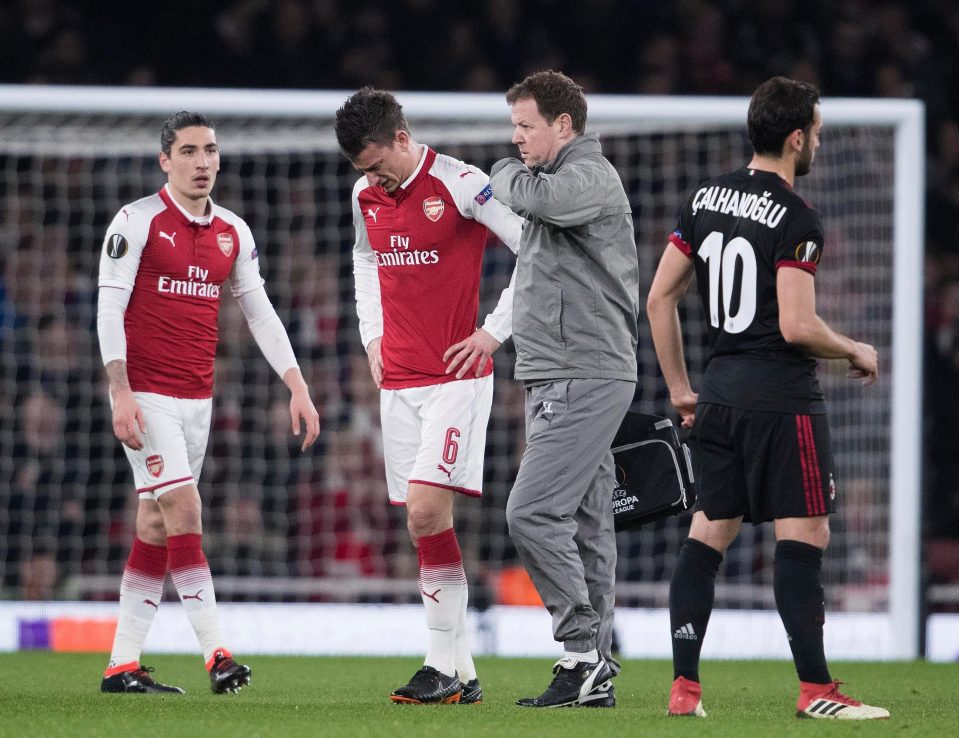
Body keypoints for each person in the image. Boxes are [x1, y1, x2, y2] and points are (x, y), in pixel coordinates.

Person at [646, 76, 889, 720]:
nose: (818, 143)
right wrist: (854, 350)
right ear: (794, 137)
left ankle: (683, 689)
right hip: (782, 398)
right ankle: (817, 690)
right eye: (816, 132)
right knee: (805, 534)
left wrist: (681, 391)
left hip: (720, 395)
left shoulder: (704, 198)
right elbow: (797, 326)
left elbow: (658, 298)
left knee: (707, 537)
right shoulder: (798, 217)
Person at [96, 111, 320, 695]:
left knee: (154, 522)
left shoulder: (233, 233)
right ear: (164, 160)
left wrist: (296, 384)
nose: (203, 162)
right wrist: (119, 390)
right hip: (146, 395)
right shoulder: (136, 221)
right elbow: (109, 310)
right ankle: (217, 654)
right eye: (189, 151)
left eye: (210, 150)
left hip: (199, 399)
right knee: (185, 510)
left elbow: (260, 313)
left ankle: (122, 665)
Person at [334, 87, 523, 705]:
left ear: (401, 138)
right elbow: (364, 262)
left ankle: (438, 664)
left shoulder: (463, 184)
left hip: (456, 379)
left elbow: (536, 247)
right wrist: (371, 336)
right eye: (362, 171)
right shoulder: (365, 193)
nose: (373, 179)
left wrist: (493, 331)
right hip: (400, 381)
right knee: (427, 525)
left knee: (421, 511)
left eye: (376, 163)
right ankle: (462, 672)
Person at [489, 70, 639, 708]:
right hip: (562, 369)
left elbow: (534, 199)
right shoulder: (561, 180)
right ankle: (594, 669)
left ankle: (579, 650)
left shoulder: (588, 177)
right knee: (586, 521)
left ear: (564, 126)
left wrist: (497, 173)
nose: (516, 137)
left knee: (530, 511)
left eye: (525, 126)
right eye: (513, 127)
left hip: (585, 371)